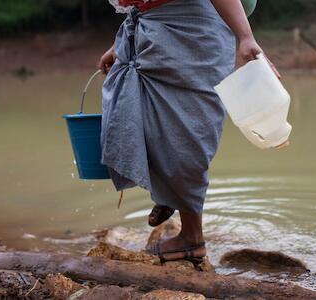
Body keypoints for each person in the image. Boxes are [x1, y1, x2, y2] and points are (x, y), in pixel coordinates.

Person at [98, 0, 280, 262]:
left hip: (192, 34)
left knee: (185, 133)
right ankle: (169, 193)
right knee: (141, 117)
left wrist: (245, 36)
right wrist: (120, 44)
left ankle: (192, 239)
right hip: (151, 33)